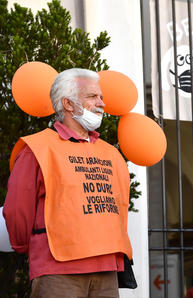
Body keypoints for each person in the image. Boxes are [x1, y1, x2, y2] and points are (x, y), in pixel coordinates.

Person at [3, 68, 132, 298]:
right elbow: (16, 211)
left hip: (106, 272)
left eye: (101, 97)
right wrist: (26, 246)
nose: (102, 103)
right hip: (58, 271)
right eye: (92, 97)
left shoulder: (112, 154)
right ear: (68, 104)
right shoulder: (37, 148)